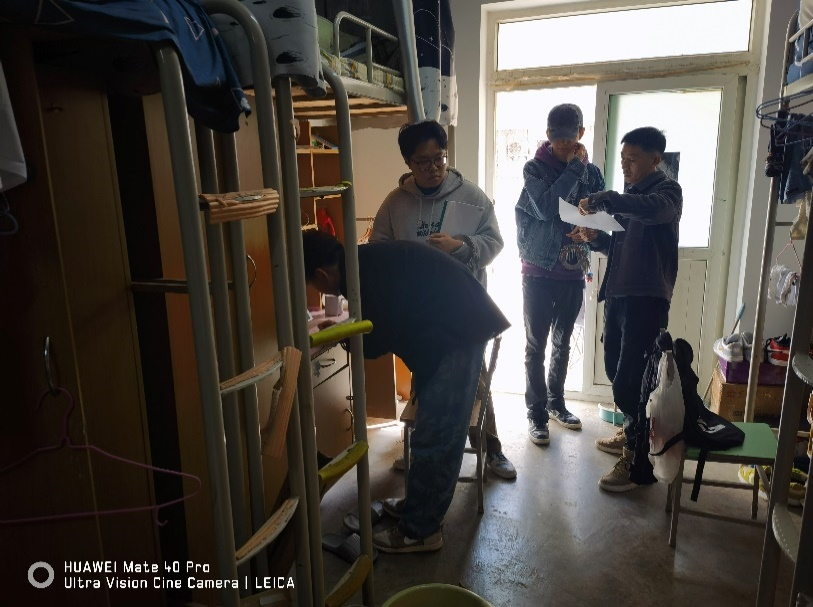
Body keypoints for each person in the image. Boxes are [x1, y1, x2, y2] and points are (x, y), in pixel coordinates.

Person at [302, 229, 510, 553]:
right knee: (430, 430)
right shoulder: (361, 263)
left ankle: (421, 531)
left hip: (455, 334)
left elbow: (373, 339)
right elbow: (380, 321)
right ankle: (417, 506)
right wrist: (345, 328)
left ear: (321, 275)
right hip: (450, 327)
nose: (319, 291)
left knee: (436, 437)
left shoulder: (362, 275)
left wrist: (342, 333)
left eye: (314, 285)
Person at [371, 120, 516, 480]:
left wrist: (461, 246)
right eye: (423, 162)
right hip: (418, 313)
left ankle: (492, 449)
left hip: (464, 310)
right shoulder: (395, 204)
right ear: (408, 163)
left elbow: (495, 242)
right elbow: (378, 250)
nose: (434, 168)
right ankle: (421, 450)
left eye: (440, 159)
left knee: (474, 381)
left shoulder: (471, 196)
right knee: (424, 382)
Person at [577, 126, 683, 493]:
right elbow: (620, 247)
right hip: (619, 296)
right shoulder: (630, 196)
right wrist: (597, 239)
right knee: (615, 369)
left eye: (632, 160)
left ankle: (638, 465)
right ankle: (632, 430)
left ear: (655, 160)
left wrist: (608, 199)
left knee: (633, 380)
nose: (625, 165)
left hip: (647, 300)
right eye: (622, 159)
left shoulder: (667, 193)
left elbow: (653, 213)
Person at [515, 104, 606, 447]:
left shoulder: (593, 174)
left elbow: (600, 212)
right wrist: (573, 168)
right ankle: (536, 414)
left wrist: (590, 228)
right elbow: (545, 207)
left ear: (581, 133)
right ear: (548, 135)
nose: (562, 145)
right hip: (537, 269)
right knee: (535, 344)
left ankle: (556, 404)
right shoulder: (535, 168)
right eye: (556, 139)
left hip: (572, 268)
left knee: (562, 342)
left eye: (568, 139)